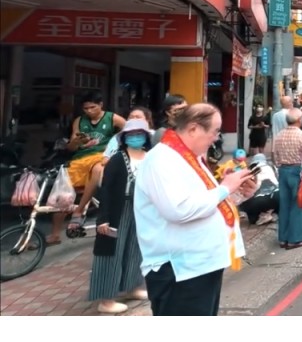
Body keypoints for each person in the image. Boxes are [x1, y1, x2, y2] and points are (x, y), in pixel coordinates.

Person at [134, 103, 257, 316]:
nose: (217, 138)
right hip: (179, 271)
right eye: (215, 131)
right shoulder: (162, 160)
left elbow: (207, 202)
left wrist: (237, 193)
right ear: (193, 129)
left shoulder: (192, 158)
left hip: (200, 265)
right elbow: (179, 210)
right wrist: (226, 188)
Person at [89, 118, 153, 314]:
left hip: (142, 210)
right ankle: (106, 299)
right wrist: (103, 218)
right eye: (131, 135)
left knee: (136, 249)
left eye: (139, 134)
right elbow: (106, 190)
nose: (135, 138)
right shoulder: (117, 159)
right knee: (111, 253)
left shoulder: (150, 157)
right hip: (119, 210)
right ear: (124, 138)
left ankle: (133, 287)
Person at [50, 92, 126, 244]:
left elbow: (130, 131)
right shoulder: (79, 121)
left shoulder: (113, 118)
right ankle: (55, 234)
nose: (90, 111)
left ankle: (78, 212)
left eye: (93, 107)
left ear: (101, 105)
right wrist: (77, 141)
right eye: (86, 108)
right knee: (63, 195)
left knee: (98, 170)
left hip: (101, 156)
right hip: (79, 159)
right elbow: (71, 147)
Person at [272, 108, 302, 249]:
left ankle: (283, 238)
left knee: (285, 204)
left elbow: (274, 156)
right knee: (298, 205)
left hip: (283, 170)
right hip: (298, 170)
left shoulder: (279, 135)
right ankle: (296, 238)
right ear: (299, 120)